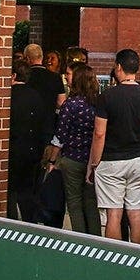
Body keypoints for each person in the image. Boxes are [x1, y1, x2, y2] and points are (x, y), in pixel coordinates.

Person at [88, 48, 140, 244]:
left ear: (119, 67)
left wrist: (93, 163)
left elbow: (99, 133)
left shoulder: (107, 96)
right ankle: (139, 255)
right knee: (136, 213)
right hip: (138, 158)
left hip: (111, 160)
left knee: (114, 214)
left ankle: (115, 256)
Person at [49, 66, 101, 234]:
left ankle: (80, 238)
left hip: (72, 157)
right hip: (93, 157)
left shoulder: (70, 104)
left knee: (74, 202)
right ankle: (95, 237)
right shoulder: (99, 103)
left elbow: (60, 136)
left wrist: (52, 160)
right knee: (91, 202)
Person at [7, 62, 55, 224]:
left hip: (13, 148)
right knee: (27, 190)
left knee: (10, 190)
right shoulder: (36, 96)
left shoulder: (9, 96)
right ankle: (30, 223)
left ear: (13, 76)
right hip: (33, 149)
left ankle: (10, 222)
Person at [22, 42, 65, 112]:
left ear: (27, 58)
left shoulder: (24, 76)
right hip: (49, 116)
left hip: (29, 116)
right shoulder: (56, 77)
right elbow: (61, 102)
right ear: (42, 57)